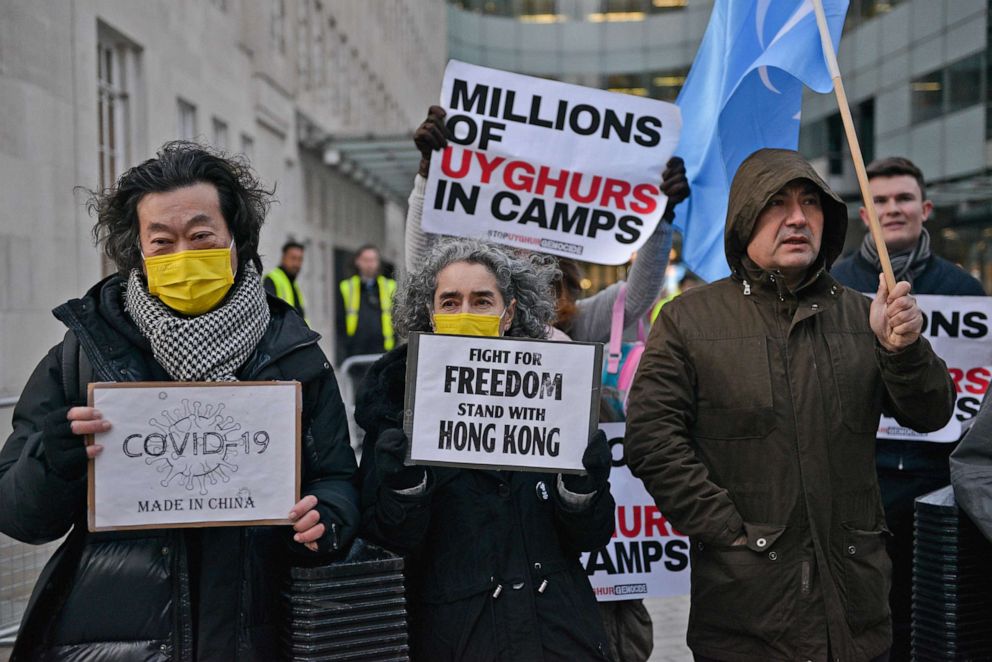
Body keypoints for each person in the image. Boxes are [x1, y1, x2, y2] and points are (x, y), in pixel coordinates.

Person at [0, 141, 359, 661]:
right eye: (161, 242)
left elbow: (337, 479)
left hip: (256, 634)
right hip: (116, 639)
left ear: (236, 240)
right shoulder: (83, 354)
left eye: (201, 236)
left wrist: (326, 518)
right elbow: (19, 515)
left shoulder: (295, 356)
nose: (183, 257)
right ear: (137, 252)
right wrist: (52, 461)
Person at [625, 148, 956, 662]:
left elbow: (932, 413)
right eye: (776, 203)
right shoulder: (689, 320)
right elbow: (652, 439)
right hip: (747, 619)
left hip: (856, 613)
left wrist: (903, 351)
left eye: (810, 203)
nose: (798, 218)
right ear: (744, 218)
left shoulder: (865, 312)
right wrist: (731, 533)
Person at [355, 238, 615, 661]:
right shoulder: (394, 408)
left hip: (559, 635)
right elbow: (387, 544)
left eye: (481, 301)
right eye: (451, 302)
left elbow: (591, 537)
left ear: (508, 313)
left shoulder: (553, 397)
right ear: (431, 315)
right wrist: (405, 489)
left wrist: (580, 491)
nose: (465, 314)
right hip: (458, 639)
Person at [831, 156, 985, 659]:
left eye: (902, 199)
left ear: (926, 207)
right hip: (856, 481)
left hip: (937, 485)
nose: (892, 209)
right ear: (863, 213)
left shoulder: (966, 290)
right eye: (880, 200)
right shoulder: (833, 286)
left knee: (931, 625)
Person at [408, 105, 689, 344]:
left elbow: (636, 297)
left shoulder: (574, 326)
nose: (520, 254)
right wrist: (427, 174)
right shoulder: (463, 319)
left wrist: (660, 217)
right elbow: (423, 271)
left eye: (534, 253)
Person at [336, 244, 397, 360]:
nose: (370, 264)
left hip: (383, 350)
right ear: (357, 261)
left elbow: (397, 318)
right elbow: (340, 321)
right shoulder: (347, 287)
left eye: (373, 260)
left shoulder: (390, 286)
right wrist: (345, 346)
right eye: (366, 260)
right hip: (356, 351)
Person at [264, 240, 307, 319]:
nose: (297, 264)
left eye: (300, 259)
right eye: (293, 258)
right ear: (283, 258)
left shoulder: (294, 285)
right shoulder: (272, 279)